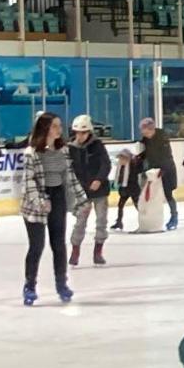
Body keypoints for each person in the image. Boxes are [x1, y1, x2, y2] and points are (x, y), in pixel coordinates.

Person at [15, 113, 74, 304]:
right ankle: (29, 285)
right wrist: (40, 201)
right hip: (35, 202)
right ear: (45, 128)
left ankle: (61, 284)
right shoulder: (31, 153)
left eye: (60, 125)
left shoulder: (63, 150)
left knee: (59, 244)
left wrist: (81, 200)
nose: (59, 129)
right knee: (37, 245)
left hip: (57, 198)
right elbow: (28, 181)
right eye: (55, 126)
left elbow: (70, 177)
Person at [66, 114, 113, 266]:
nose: (80, 136)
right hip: (82, 192)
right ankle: (75, 250)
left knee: (101, 221)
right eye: (78, 133)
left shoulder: (97, 145)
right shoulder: (70, 148)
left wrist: (99, 179)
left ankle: (98, 251)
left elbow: (106, 164)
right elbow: (68, 170)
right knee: (80, 221)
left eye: (83, 133)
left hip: (99, 190)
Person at [139, 116, 179, 230]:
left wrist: (163, 169)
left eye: (144, 130)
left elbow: (166, 155)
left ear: (150, 129)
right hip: (153, 171)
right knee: (151, 194)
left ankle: (174, 216)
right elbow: (146, 153)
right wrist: (138, 158)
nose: (142, 132)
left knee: (168, 194)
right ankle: (151, 217)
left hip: (166, 170)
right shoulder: (146, 139)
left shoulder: (162, 137)